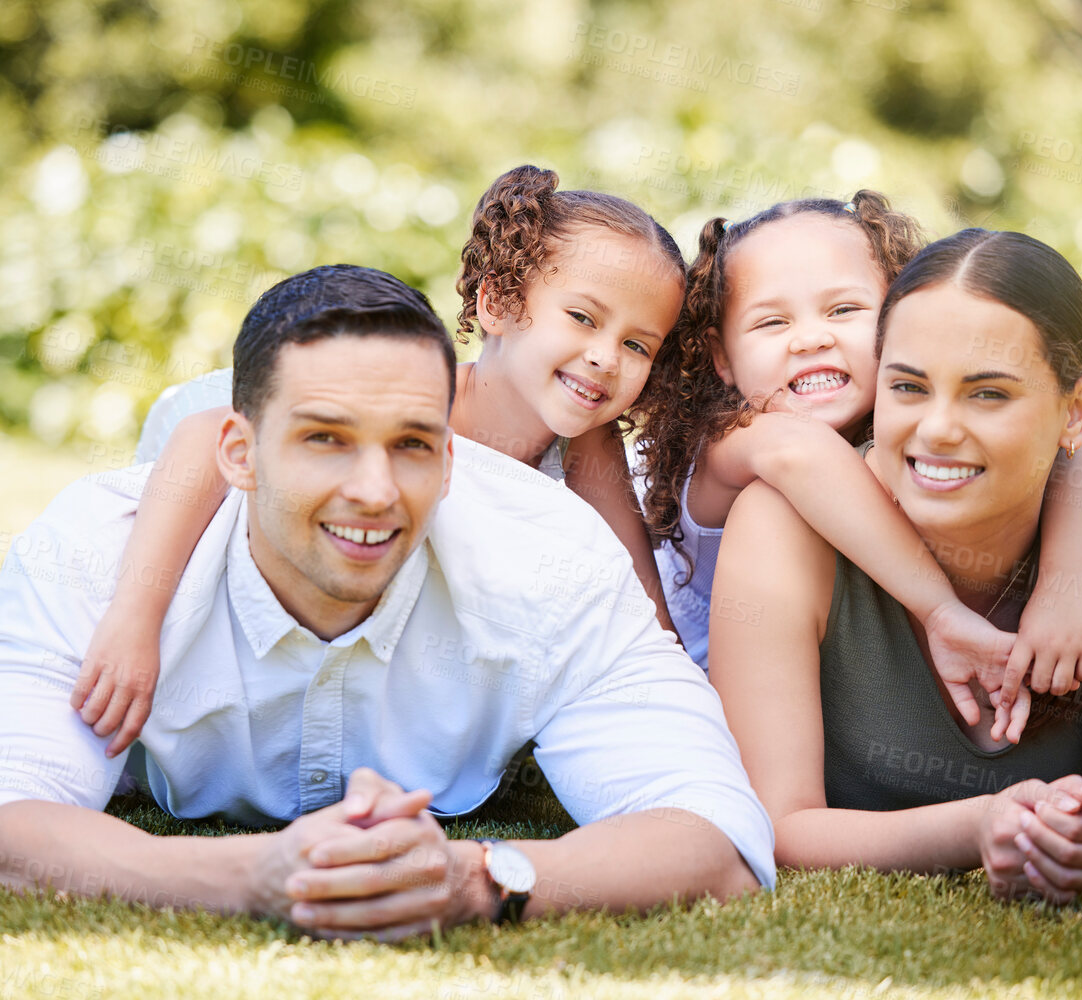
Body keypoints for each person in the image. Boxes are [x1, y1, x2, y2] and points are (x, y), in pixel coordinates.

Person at [0, 264, 774, 940]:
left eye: (411, 445)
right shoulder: (96, 551)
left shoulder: (554, 559)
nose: (373, 490)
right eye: (326, 439)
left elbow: (715, 831)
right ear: (237, 455)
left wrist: (479, 881)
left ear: (449, 456)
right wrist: (249, 878)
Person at [74, 165, 687, 754]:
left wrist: (671, 701)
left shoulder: (587, 444)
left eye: (637, 345)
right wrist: (136, 619)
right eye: (582, 318)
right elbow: (202, 439)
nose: (607, 357)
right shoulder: (414, 403)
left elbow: (640, 605)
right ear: (498, 302)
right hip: (233, 452)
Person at [706, 229, 1082, 903]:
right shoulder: (784, 525)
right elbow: (780, 825)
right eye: (909, 386)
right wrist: (977, 828)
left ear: (1076, 411)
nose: (937, 429)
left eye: (988, 394)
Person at [630, 193, 1082, 742]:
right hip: (729, 714)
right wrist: (941, 611)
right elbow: (803, 456)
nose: (812, 337)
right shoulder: (732, 442)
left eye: (843, 311)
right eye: (772, 322)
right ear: (722, 357)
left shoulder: (909, 431)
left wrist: (1066, 583)